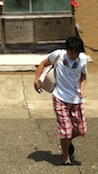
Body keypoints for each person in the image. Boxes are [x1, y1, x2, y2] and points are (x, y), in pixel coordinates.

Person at [34, 36, 88, 166]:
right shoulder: (59, 55)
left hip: (76, 98)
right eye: (72, 52)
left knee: (81, 129)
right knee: (66, 131)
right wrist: (37, 79)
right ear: (67, 50)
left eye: (77, 53)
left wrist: (82, 88)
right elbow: (43, 63)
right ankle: (65, 157)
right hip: (60, 97)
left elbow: (83, 75)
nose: (74, 55)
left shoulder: (83, 59)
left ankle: (67, 142)